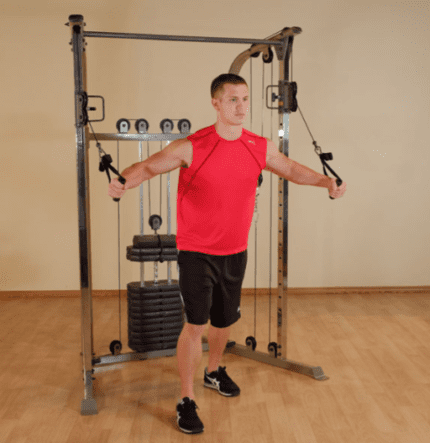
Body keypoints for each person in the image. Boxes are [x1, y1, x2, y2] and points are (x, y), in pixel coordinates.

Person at [108, 73, 347, 434]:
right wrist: (123, 181)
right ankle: (186, 398)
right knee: (196, 324)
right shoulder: (193, 145)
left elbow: (293, 170)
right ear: (215, 103)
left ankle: (214, 370)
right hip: (195, 251)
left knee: (224, 321)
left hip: (235, 250)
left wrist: (326, 182)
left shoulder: (259, 145)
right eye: (232, 100)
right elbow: (148, 167)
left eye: (245, 99)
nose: (241, 106)